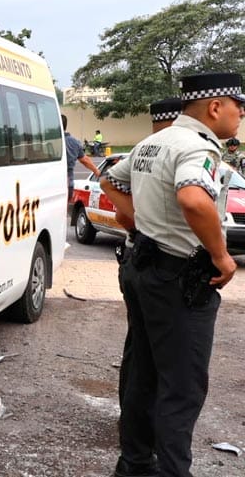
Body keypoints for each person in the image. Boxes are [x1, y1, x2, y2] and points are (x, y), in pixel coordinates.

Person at [101, 72, 243, 477]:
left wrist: (136, 223)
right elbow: (193, 198)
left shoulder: (153, 142)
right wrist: (221, 256)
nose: (241, 114)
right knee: (181, 389)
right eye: (238, 106)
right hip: (179, 279)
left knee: (143, 376)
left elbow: (110, 179)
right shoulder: (198, 148)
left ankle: (134, 466)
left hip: (143, 268)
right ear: (215, 107)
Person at [116, 96, 182, 407]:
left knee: (136, 345)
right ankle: (143, 429)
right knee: (159, 354)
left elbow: (119, 212)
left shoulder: (140, 151)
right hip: (157, 264)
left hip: (132, 256)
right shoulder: (172, 153)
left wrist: (136, 231)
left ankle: (129, 420)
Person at [63, 114, 100, 205]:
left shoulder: (49, 140)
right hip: (68, 184)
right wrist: (96, 171)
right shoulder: (74, 142)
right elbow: (84, 160)